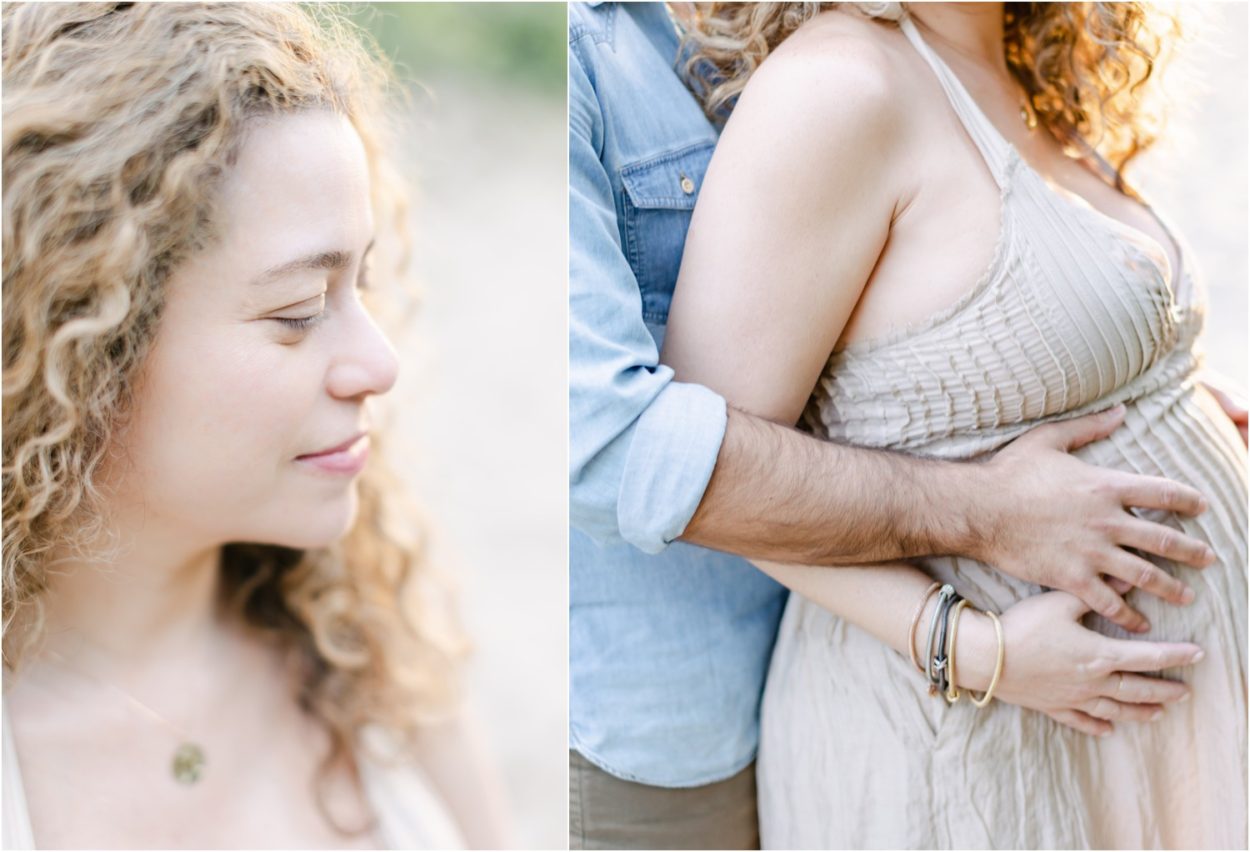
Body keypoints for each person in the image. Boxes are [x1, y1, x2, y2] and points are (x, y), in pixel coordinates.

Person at [568, 1, 1245, 848]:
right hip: (980, 744)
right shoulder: (837, 87)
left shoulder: (1017, 54)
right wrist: (974, 649)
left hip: (1140, 731)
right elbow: (715, 472)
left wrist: (1164, 399)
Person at [2, 3, 506, 847]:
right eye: (299, 311)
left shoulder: (373, 648)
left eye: (362, 284)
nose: (379, 364)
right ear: (80, 341)